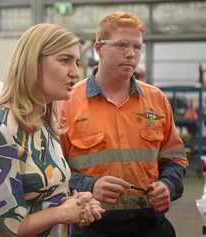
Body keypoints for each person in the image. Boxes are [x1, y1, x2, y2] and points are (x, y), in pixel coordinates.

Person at [0, 23, 104, 237]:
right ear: (33, 63)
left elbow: (40, 199)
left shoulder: (45, 126)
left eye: (76, 62)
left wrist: (74, 203)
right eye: (64, 60)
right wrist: (61, 213)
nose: (75, 73)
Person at [59, 12, 188, 237]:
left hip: (150, 226)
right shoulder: (67, 103)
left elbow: (175, 158)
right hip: (93, 226)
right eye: (121, 45)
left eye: (137, 47)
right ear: (99, 48)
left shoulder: (156, 100)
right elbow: (53, 173)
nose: (131, 54)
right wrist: (90, 186)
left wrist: (168, 185)